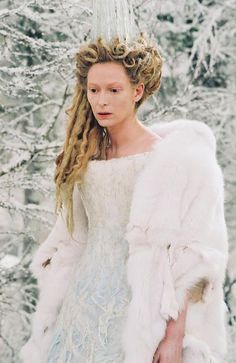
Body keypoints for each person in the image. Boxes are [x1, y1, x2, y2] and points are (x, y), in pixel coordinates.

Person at [20, 27, 228, 363]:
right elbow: (76, 239)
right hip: (81, 307)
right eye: (94, 90)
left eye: (114, 89)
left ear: (137, 90)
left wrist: (174, 338)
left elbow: (192, 259)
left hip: (141, 312)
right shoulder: (85, 157)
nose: (101, 100)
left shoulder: (173, 160)